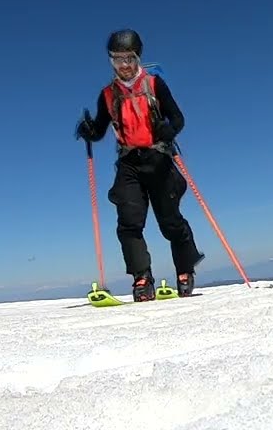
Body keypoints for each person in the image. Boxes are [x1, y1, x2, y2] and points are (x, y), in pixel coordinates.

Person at [74, 29, 204, 300]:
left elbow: (177, 118)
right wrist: (89, 131)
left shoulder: (155, 85)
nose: (124, 65)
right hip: (129, 162)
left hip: (159, 159)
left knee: (170, 222)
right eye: (117, 59)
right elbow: (100, 129)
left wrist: (169, 130)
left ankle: (185, 270)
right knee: (129, 223)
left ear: (138, 58)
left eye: (129, 58)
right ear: (111, 61)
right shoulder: (108, 94)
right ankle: (142, 278)